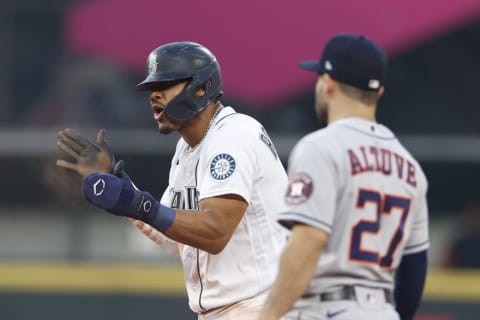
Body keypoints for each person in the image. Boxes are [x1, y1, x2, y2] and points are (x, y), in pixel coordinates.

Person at [56, 41, 289, 319]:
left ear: (202, 87)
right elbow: (173, 237)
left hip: (262, 307)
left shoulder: (232, 136)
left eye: (166, 85)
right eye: (151, 89)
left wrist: (138, 204)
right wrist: (123, 192)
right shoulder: (188, 148)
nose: (155, 95)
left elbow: (215, 232)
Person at [258, 33, 430, 320]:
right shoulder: (411, 167)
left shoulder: (321, 147)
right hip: (383, 311)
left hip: (325, 306)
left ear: (327, 84)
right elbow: (414, 267)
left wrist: (268, 316)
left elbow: (308, 242)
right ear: (379, 93)